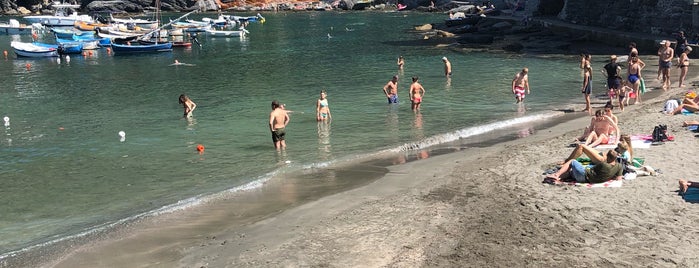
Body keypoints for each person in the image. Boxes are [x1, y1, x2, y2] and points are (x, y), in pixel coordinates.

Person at [544, 146, 623, 184]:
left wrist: (587, 167)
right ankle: (558, 179)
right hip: (591, 179)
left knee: (573, 161)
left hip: (584, 177)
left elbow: (589, 170)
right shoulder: (619, 166)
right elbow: (618, 179)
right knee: (571, 172)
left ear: (607, 157)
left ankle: (556, 175)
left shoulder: (604, 165)